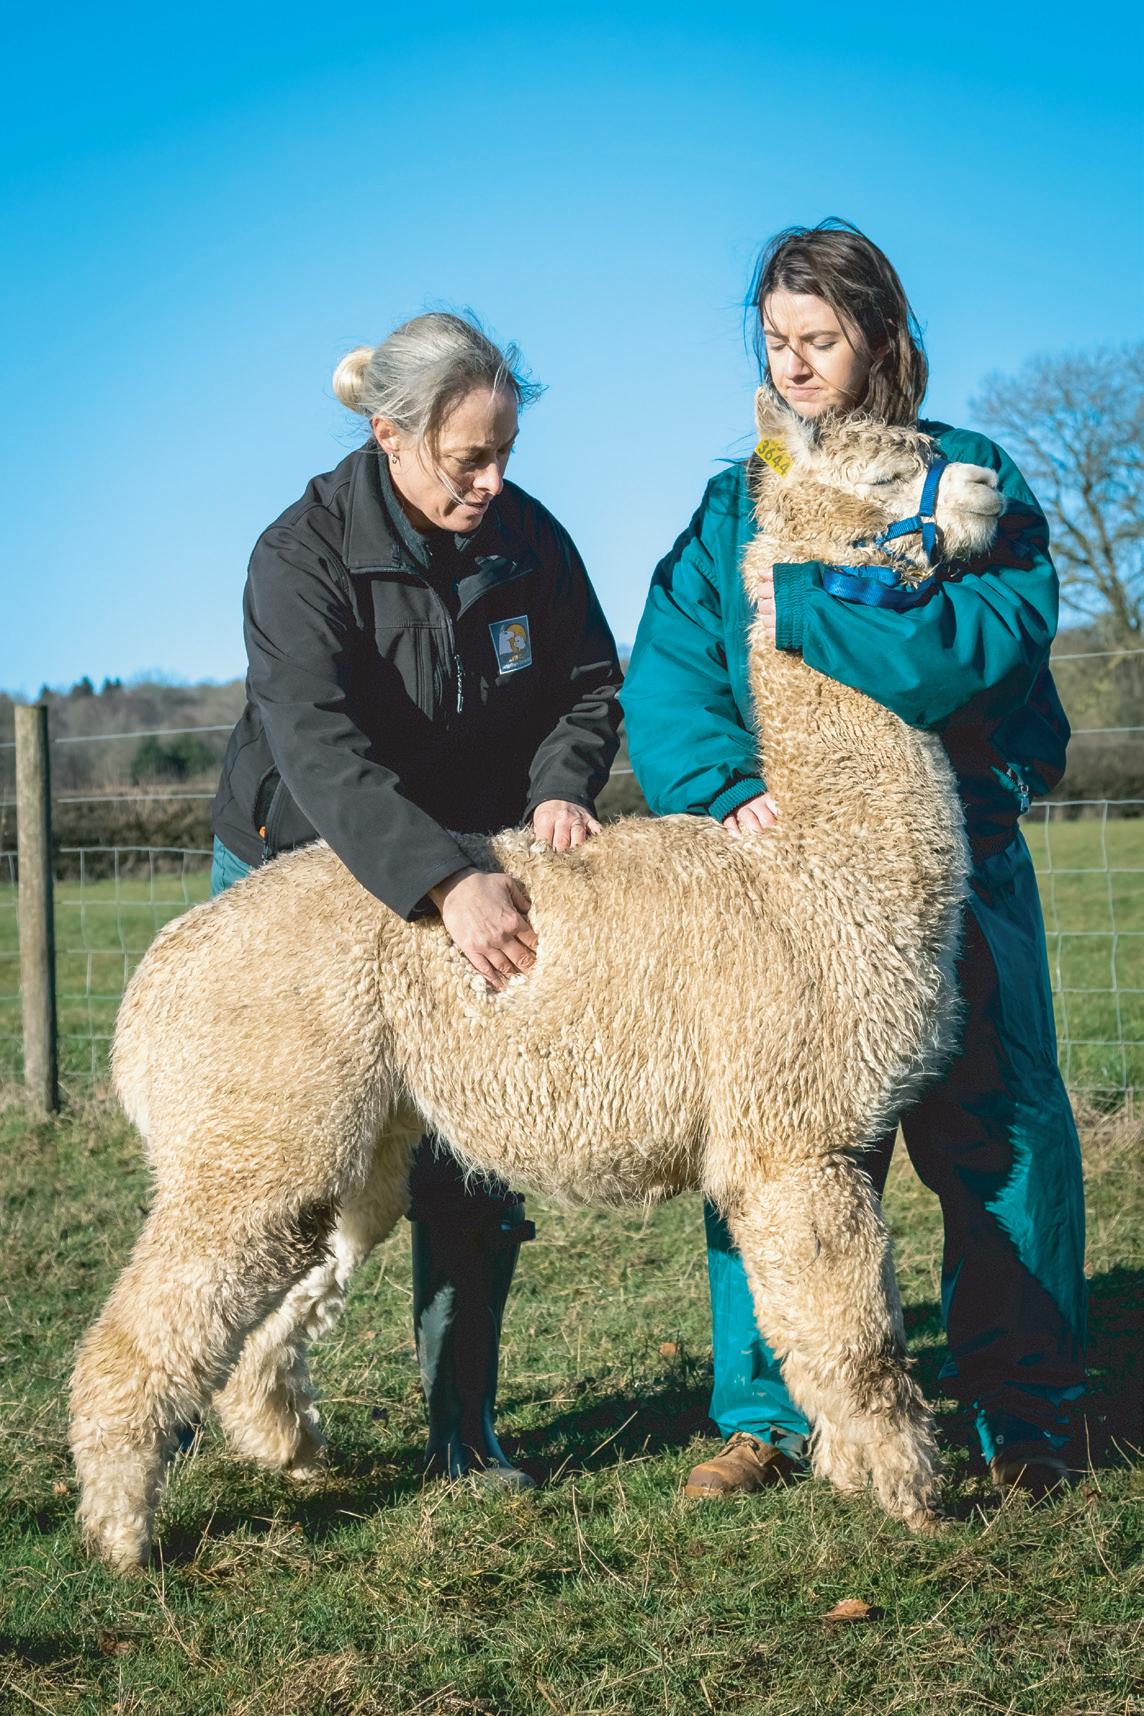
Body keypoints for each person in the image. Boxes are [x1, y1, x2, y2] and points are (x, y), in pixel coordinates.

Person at [621, 221, 1086, 1501]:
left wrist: (811, 606)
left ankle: (1024, 1411)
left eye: (819, 338)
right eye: (776, 340)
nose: (794, 363)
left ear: (880, 336)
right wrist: (721, 786)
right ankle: (771, 1413)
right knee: (777, 1138)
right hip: (780, 876)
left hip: (954, 864)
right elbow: (674, 666)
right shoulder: (737, 501)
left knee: (1000, 1130)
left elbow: (973, 646)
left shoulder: (962, 478)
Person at [211, 311, 622, 1486]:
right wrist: (440, 879)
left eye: (504, 455)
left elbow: (587, 686)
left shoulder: (528, 539)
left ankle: (464, 1432)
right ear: (389, 436)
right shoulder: (299, 555)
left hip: (481, 870)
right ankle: (200, 1395)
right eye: (467, 460)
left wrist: (558, 788)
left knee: (470, 1163)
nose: (491, 484)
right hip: (306, 868)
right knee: (277, 1171)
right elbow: (318, 748)